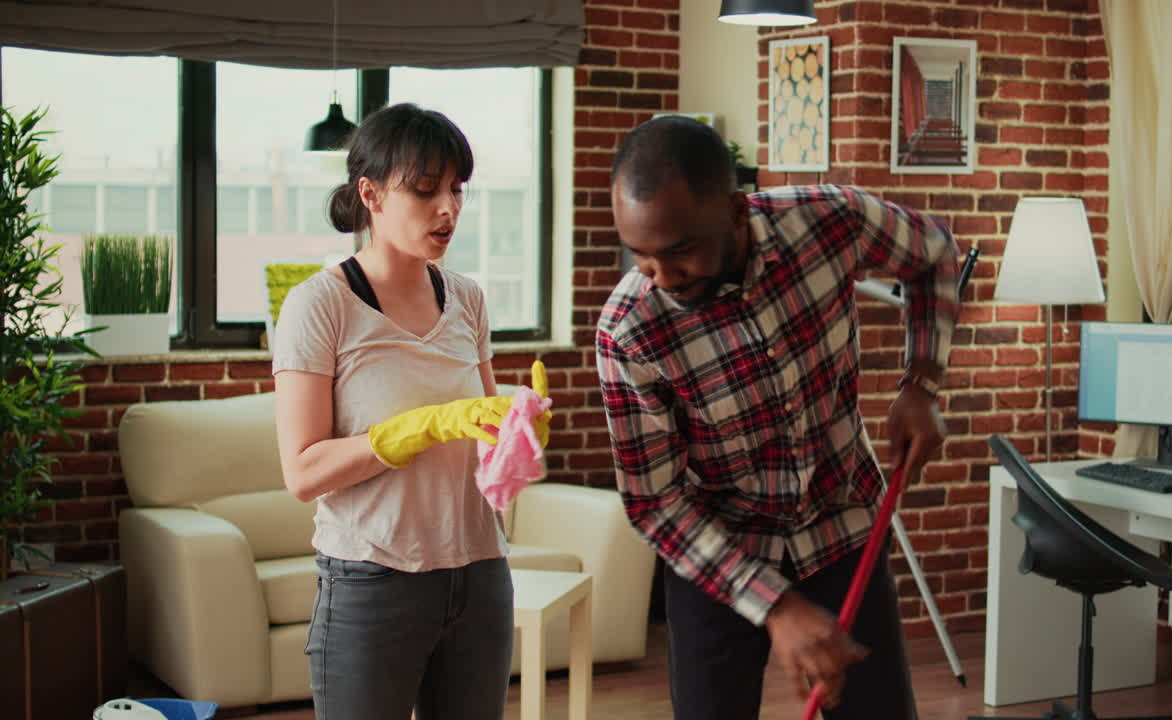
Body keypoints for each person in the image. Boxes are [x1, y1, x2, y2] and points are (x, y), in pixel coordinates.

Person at [595, 116, 960, 720]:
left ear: (737, 213)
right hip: (719, 552)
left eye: (680, 250)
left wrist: (921, 381)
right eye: (640, 255)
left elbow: (935, 253)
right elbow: (654, 503)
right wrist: (778, 605)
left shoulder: (829, 221)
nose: (660, 277)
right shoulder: (629, 331)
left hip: (839, 522)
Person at [272, 103, 547, 720]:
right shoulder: (321, 305)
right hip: (373, 581)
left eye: (456, 189)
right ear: (369, 194)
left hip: (479, 573)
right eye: (426, 190)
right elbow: (302, 471)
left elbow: (482, 440)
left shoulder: (468, 299)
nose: (448, 209)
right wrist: (413, 430)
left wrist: (517, 431)